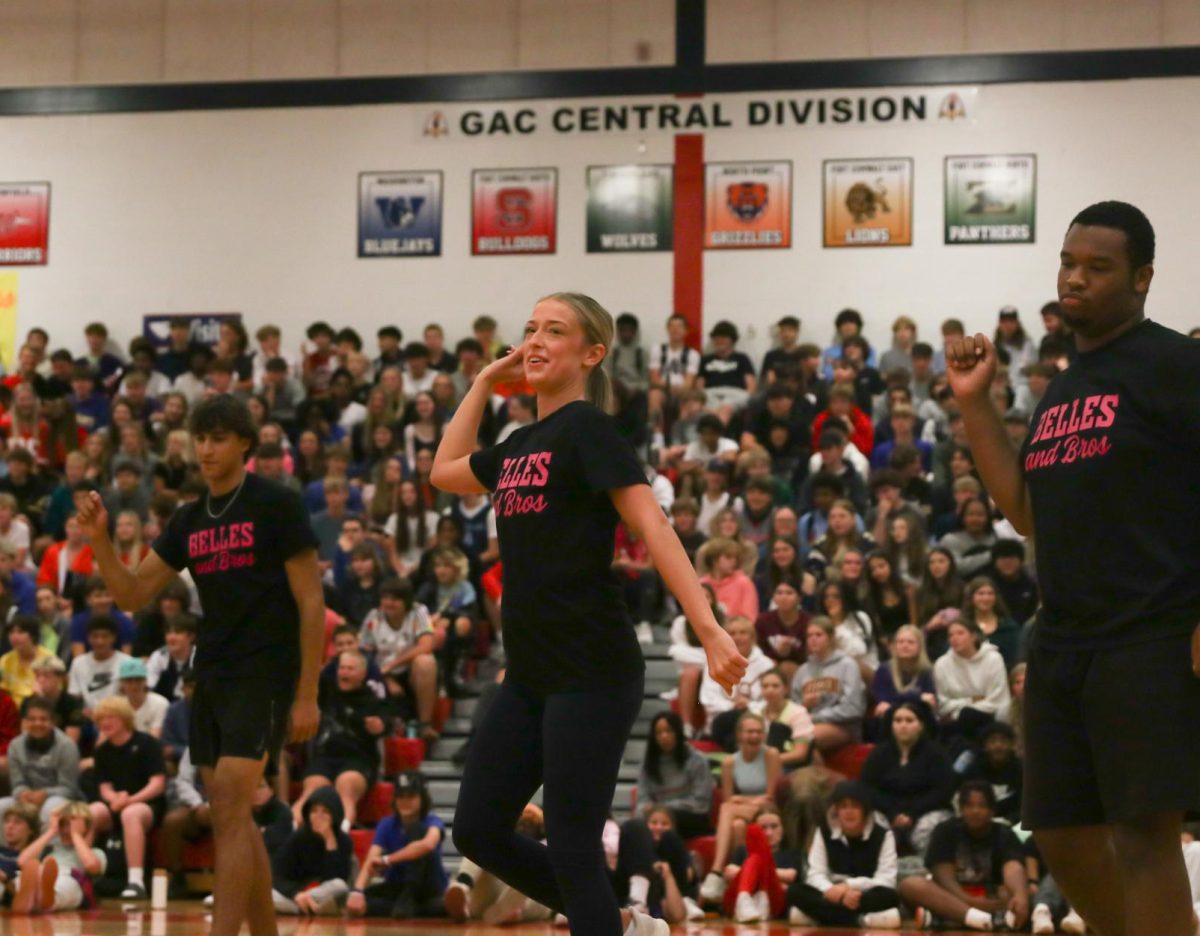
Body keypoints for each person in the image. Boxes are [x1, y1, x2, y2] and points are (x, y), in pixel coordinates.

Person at [431, 293, 745, 936]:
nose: (536, 340)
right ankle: (624, 925)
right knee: (477, 829)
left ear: (591, 353)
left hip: (592, 668)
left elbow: (654, 527)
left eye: (555, 330)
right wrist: (487, 379)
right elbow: (443, 471)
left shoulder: (589, 429)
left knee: (573, 846)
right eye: (529, 330)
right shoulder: (518, 443)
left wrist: (708, 628)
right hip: (529, 675)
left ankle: (611, 923)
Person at [75, 393, 324, 936]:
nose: (206, 450)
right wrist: (100, 541)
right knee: (229, 811)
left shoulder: (276, 503)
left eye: (218, 439)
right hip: (213, 673)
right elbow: (132, 593)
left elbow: (312, 602)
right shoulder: (189, 518)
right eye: (200, 439)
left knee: (232, 802)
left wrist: (308, 692)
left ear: (244, 445)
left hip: (268, 671)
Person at [898, 780, 1029, 931]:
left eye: (982, 806)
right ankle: (982, 920)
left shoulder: (1004, 834)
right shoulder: (945, 830)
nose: (975, 811)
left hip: (990, 896)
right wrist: (969, 901)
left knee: (1021, 892)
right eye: (969, 806)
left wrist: (1020, 896)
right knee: (911, 885)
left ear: (992, 811)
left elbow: (1013, 867)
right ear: (960, 809)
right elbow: (943, 877)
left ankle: (952, 920)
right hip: (953, 896)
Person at [290, 650, 389, 830]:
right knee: (313, 787)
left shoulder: (374, 701)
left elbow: (386, 724)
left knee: (346, 784)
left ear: (362, 674)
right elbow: (317, 672)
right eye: (342, 668)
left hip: (358, 759)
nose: (344, 672)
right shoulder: (326, 691)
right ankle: (292, 831)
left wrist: (379, 726)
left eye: (350, 669)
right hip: (325, 756)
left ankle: (341, 834)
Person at [787, 780, 902, 929]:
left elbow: (886, 880)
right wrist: (834, 892)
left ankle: (820, 917)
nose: (848, 812)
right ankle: (860, 920)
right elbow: (815, 874)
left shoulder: (884, 835)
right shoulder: (823, 832)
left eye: (855, 806)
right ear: (836, 810)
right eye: (843, 806)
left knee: (890, 897)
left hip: (864, 894)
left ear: (865, 811)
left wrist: (849, 886)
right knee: (794, 892)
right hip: (831, 893)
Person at [87, 695, 167, 900]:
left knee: (131, 814)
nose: (105, 723)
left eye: (110, 717)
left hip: (146, 805)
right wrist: (114, 799)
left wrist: (130, 800)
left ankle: (136, 880)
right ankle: (83, 875)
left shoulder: (147, 742)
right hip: (116, 804)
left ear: (124, 718)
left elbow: (157, 783)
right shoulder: (102, 751)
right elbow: (104, 787)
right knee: (92, 811)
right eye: (101, 719)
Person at [698, 711, 782, 907]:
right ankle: (740, 885)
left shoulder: (771, 754)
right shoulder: (730, 762)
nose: (754, 736)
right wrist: (747, 801)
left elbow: (770, 795)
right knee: (736, 824)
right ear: (739, 735)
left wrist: (743, 799)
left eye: (758, 732)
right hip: (743, 812)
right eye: (749, 732)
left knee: (728, 810)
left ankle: (717, 871)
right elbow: (729, 799)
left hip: (768, 809)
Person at [347, 770, 448, 919]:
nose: (405, 801)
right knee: (362, 902)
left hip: (428, 887)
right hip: (398, 887)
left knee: (417, 829)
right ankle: (422, 910)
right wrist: (358, 891)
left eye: (411, 796)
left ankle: (412, 899)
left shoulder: (432, 822)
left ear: (423, 799)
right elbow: (372, 858)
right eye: (400, 796)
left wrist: (389, 859)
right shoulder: (387, 823)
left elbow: (427, 845)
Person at [860, 701, 956, 857]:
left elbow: (943, 791)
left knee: (926, 829)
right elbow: (868, 788)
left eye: (909, 720)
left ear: (921, 725)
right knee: (872, 822)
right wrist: (893, 813)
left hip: (927, 811)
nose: (903, 725)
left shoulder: (936, 754)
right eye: (898, 721)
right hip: (888, 811)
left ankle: (932, 873)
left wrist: (912, 813)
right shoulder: (879, 754)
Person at [270, 786, 354, 916]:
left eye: (325, 811)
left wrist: (329, 840)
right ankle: (306, 908)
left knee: (339, 885)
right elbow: (277, 876)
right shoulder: (298, 837)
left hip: (323, 892)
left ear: (335, 814)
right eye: (314, 811)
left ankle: (302, 908)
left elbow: (337, 879)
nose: (318, 816)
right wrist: (296, 894)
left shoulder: (343, 841)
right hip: (296, 894)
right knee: (266, 894)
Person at [0, 696, 81, 828]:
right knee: (2, 807)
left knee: (50, 808)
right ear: (25, 722)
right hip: (26, 799)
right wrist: (23, 794)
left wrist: (45, 794)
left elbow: (69, 789)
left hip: (60, 800)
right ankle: (7, 849)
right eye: (32, 719)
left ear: (53, 722)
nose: (37, 723)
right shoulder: (15, 746)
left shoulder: (67, 746)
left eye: (43, 719)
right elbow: (17, 784)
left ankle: (48, 848)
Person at [12, 800, 104, 914]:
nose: (65, 830)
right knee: (24, 875)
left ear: (86, 826)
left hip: (71, 878)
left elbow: (91, 865)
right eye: (62, 824)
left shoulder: (95, 852)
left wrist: (76, 834)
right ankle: (32, 896)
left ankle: (46, 898)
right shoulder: (51, 849)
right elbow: (22, 861)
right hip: (41, 872)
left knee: (66, 884)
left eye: (70, 825)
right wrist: (51, 830)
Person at [790, 616, 866, 753]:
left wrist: (816, 717)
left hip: (843, 726)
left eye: (819, 635)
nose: (813, 639)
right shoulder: (802, 670)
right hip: (808, 723)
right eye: (809, 636)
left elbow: (853, 707)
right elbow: (793, 707)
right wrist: (804, 705)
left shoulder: (847, 665)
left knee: (806, 738)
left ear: (830, 638)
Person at [635, 712, 715, 838]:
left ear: (678, 733)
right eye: (659, 733)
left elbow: (701, 803)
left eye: (669, 731)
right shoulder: (647, 764)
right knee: (634, 826)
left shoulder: (697, 760)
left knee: (663, 823)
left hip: (690, 816)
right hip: (656, 816)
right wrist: (649, 810)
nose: (664, 736)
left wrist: (663, 809)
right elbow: (642, 799)